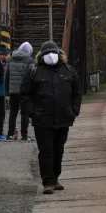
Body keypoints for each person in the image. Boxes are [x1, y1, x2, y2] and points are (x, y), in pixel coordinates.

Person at [21, 41, 82, 194]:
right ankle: (47, 181)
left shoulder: (68, 70)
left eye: (53, 53)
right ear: (42, 55)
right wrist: (32, 112)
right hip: (42, 119)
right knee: (46, 150)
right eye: (47, 53)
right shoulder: (34, 71)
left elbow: (77, 92)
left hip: (63, 118)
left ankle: (55, 178)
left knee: (58, 150)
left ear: (58, 54)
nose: (51, 56)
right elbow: (25, 94)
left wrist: (74, 110)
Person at [4, 42, 35, 140]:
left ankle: (9, 134)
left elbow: (6, 76)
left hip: (13, 91)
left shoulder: (10, 59)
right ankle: (24, 135)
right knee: (24, 114)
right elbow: (32, 76)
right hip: (25, 92)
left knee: (13, 113)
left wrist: (7, 91)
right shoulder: (30, 61)